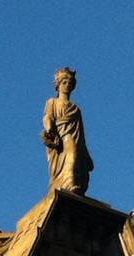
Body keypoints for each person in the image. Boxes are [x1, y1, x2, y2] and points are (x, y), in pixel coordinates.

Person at [41, 67, 94, 195]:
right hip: (61, 136)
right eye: (64, 82)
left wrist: (86, 154)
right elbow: (47, 116)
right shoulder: (52, 102)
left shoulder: (76, 109)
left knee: (76, 157)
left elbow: (81, 134)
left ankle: (71, 183)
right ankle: (69, 183)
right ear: (58, 85)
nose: (67, 85)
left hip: (76, 139)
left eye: (70, 83)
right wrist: (49, 130)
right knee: (72, 152)